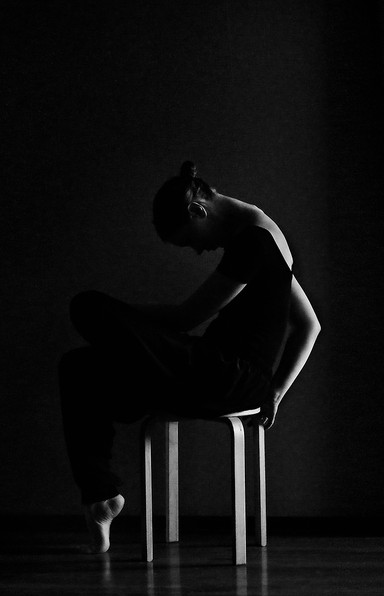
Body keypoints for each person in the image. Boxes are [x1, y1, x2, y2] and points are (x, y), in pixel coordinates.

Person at [58, 160, 321, 553]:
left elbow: (186, 317)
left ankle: (130, 370)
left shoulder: (254, 240)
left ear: (198, 210)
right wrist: (275, 390)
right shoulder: (269, 237)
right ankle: (101, 498)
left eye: (190, 240)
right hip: (218, 375)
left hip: (225, 375)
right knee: (78, 367)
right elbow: (311, 325)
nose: (199, 250)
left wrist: (121, 316)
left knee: (88, 306)